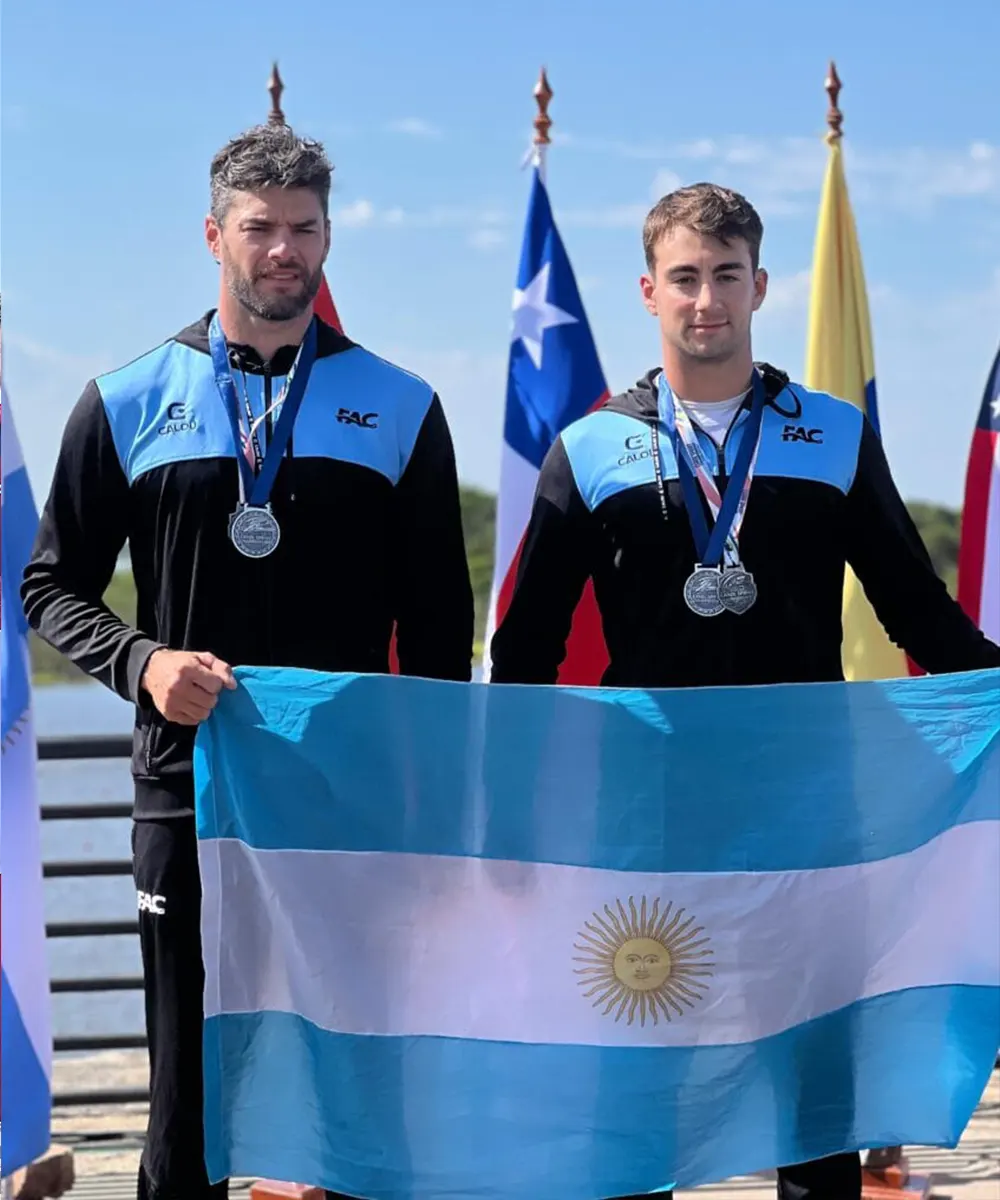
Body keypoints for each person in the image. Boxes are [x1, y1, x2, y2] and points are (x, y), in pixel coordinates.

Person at [488, 182, 1000, 1199]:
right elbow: (525, 657)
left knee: (810, 1093)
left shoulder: (833, 435)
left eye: (725, 276)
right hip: (645, 817)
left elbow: (916, 615)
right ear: (648, 291)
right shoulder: (588, 449)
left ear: (760, 284)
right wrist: (511, 814)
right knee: (641, 1086)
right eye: (684, 278)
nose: (705, 299)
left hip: (806, 812)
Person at [22, 121, 474, 1200]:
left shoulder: (401, 405)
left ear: (328, 239)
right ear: (213, 234)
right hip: (188, 790)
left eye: (306, 230)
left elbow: (441, 627)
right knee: (191, 1093)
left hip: (351, 799)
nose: (285, 251)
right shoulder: (127, 397)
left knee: (358, 1085)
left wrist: (437, 794)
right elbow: (47, 586)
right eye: (261, 229)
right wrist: (140, 661)